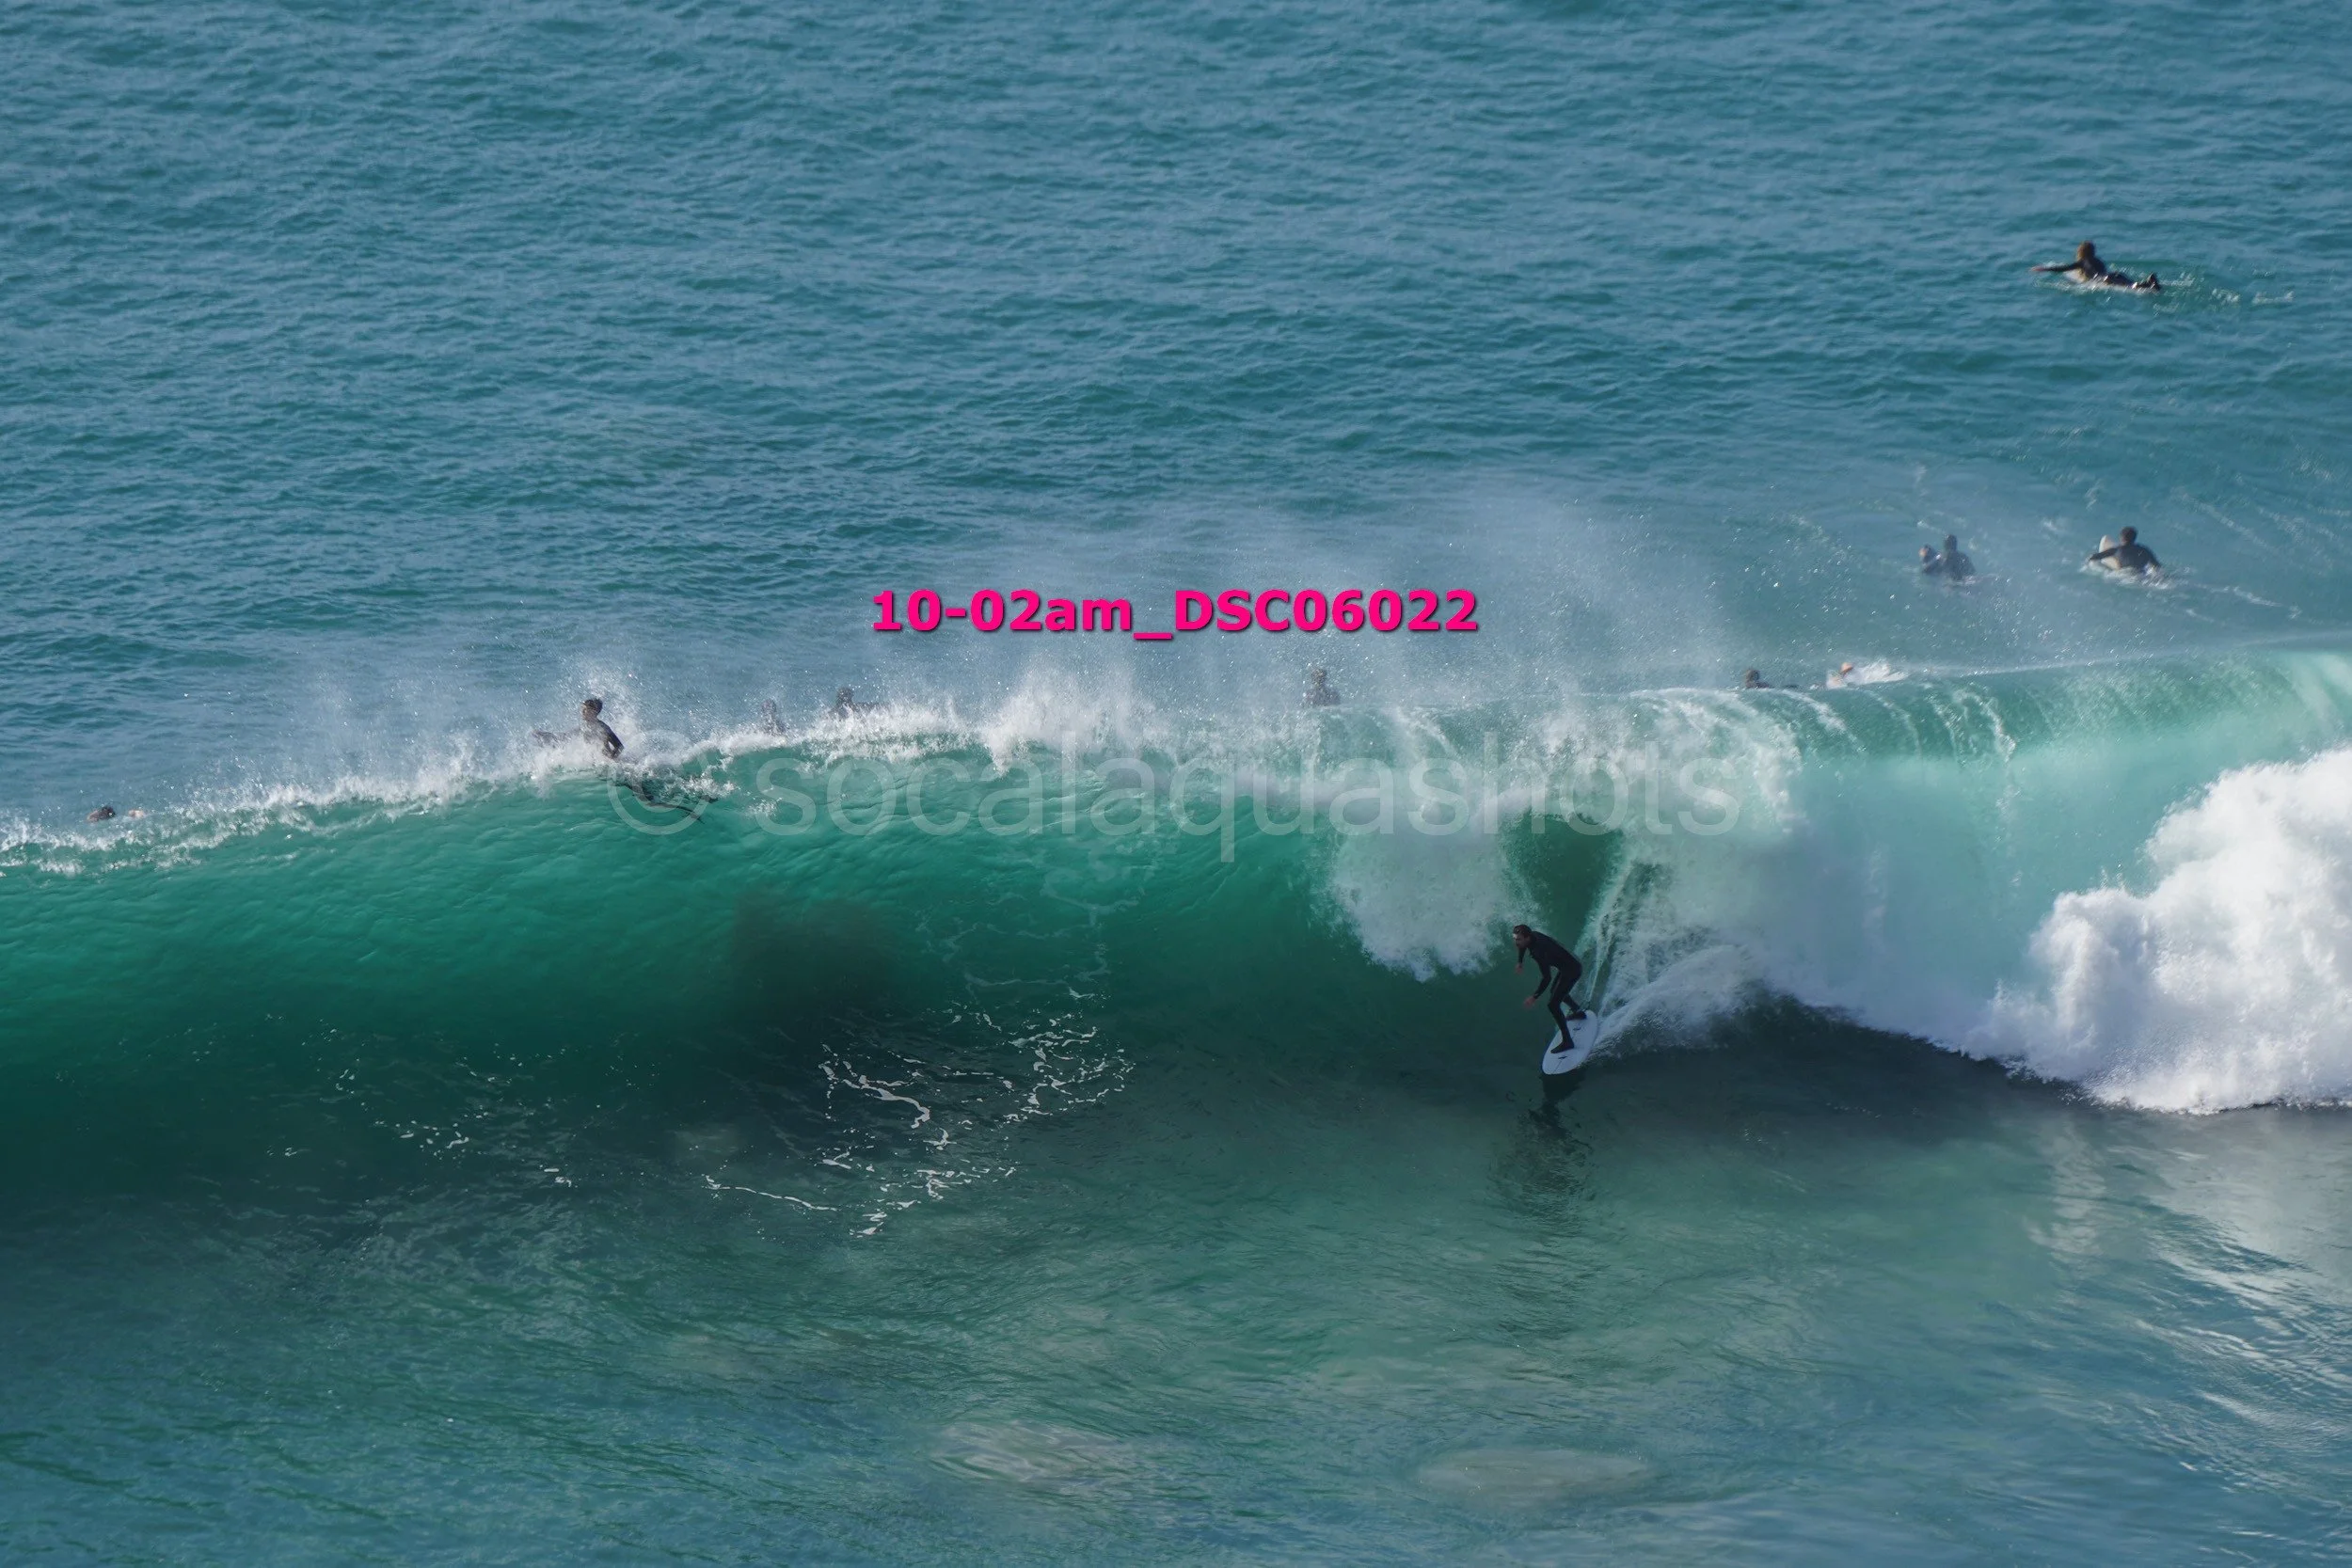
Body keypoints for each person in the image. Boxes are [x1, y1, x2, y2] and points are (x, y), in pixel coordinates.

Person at [1514, 925, 1587, 1043]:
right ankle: (1578, 1012)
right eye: (1515, 938)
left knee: (1552, 1005)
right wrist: (1520, 962)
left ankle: (1567, 1041)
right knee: (1555, 992)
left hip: (1572, 970)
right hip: (1569, 965)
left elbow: (1547, 978)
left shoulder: (1539, 951)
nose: (1516, 942)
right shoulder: (1533, 936)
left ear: (1527, 938)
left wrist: (1534, 996)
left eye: (1518, 939)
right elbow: (1522, 946)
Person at [2089, 526, 2162, 575]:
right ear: (2135, 538)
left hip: (2125, 575)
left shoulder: (2116, 550)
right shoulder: (2145, 550)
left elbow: (2093, 558)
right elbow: (2157, 566)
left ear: (2121, 537)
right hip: (2141, 576)